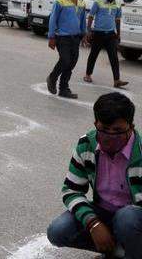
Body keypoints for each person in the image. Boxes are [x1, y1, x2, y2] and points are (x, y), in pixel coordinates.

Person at [47, 92, 142, 258]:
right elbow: (71, 190)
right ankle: (114, 250)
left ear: (131, 127)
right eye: (104, 129)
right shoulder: (87, 144)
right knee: (58, 230)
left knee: (126, 219)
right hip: (103, 211)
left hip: (134, 219)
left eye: (118, 130)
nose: (110, 137)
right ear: (95, 123)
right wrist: (93, 223)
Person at [47, 0, 87, 99]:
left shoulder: (81, 2)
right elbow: (53, 20)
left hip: (76, 37)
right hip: (62, 37)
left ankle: (64, 89)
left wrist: (84, 34)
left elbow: (82, 20)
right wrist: (51, 37)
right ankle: (52, 78)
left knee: (71, 63)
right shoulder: (60, 1)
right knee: (65, 60)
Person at [84, 0, 129, 89]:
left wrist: (118, 33)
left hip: (111, 35)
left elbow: (117, 19)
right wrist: (89, 31)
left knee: (114, 57)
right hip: (98, 33)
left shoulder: (117, 4)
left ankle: (116, 80)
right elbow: (91, 16)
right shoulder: (98, 1)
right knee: (93, 55)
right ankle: (87, 75)